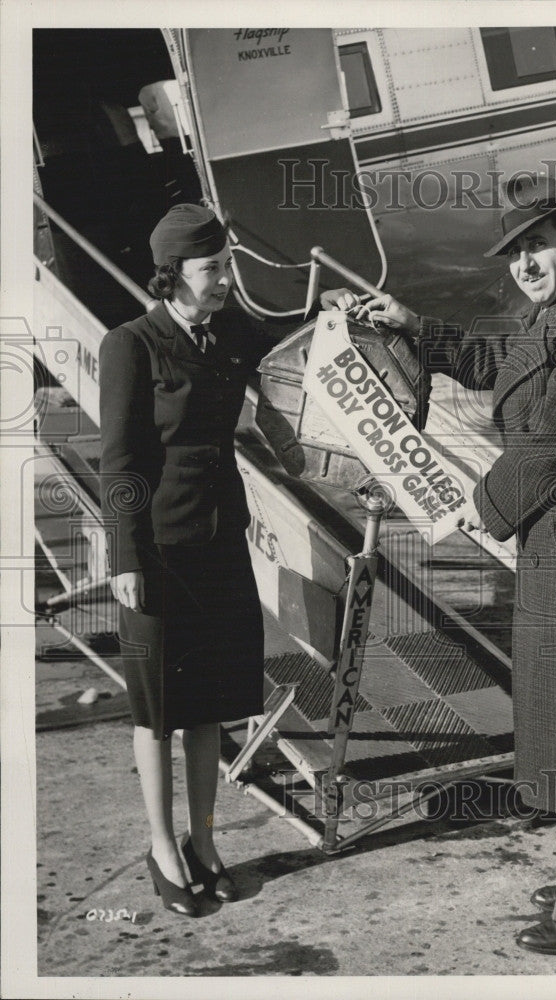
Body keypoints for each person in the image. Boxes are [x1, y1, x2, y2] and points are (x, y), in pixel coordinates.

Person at [327, 174, 556, 955]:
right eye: (516, 251)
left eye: (537, 245)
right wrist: (419, 327)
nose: (525, 262)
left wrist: (476, 507)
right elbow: (504, 361)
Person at [99, 204, 266, 916]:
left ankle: (204, 842)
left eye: (226, 266)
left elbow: (296, 342)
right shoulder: (130, 344)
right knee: (159, 711)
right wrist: (125, 554)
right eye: (211, 270)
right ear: (173, 275)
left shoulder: (225, 333)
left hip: (222, 541)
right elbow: (120, 460)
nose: (225, 280)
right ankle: (163, 848)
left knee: (211, 708)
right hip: (159, 552)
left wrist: (338, 307)